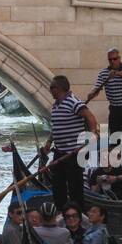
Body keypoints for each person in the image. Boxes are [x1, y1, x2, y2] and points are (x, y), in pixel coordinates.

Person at [40, 75, 100, 211]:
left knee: (75, 188)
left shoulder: (74, 102)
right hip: (60, 153)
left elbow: (91, 118)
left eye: (51, 88)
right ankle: (62, 212)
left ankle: (77, 214)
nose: (50, 91)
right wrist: (49, 142)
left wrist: (92, 135)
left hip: (74, 153)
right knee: (58, 187)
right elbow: (56, 127)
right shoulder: (56, 106)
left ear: (59, 88)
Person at [86, 48, 122, 163]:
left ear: (119, 59)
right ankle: (114, 160)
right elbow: (97, 88)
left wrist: (117, 74)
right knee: (114, 135)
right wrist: (92, 94)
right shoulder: (104, 73)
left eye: (115, 59)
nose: (112, 61)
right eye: (110, 60)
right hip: (115, 109)